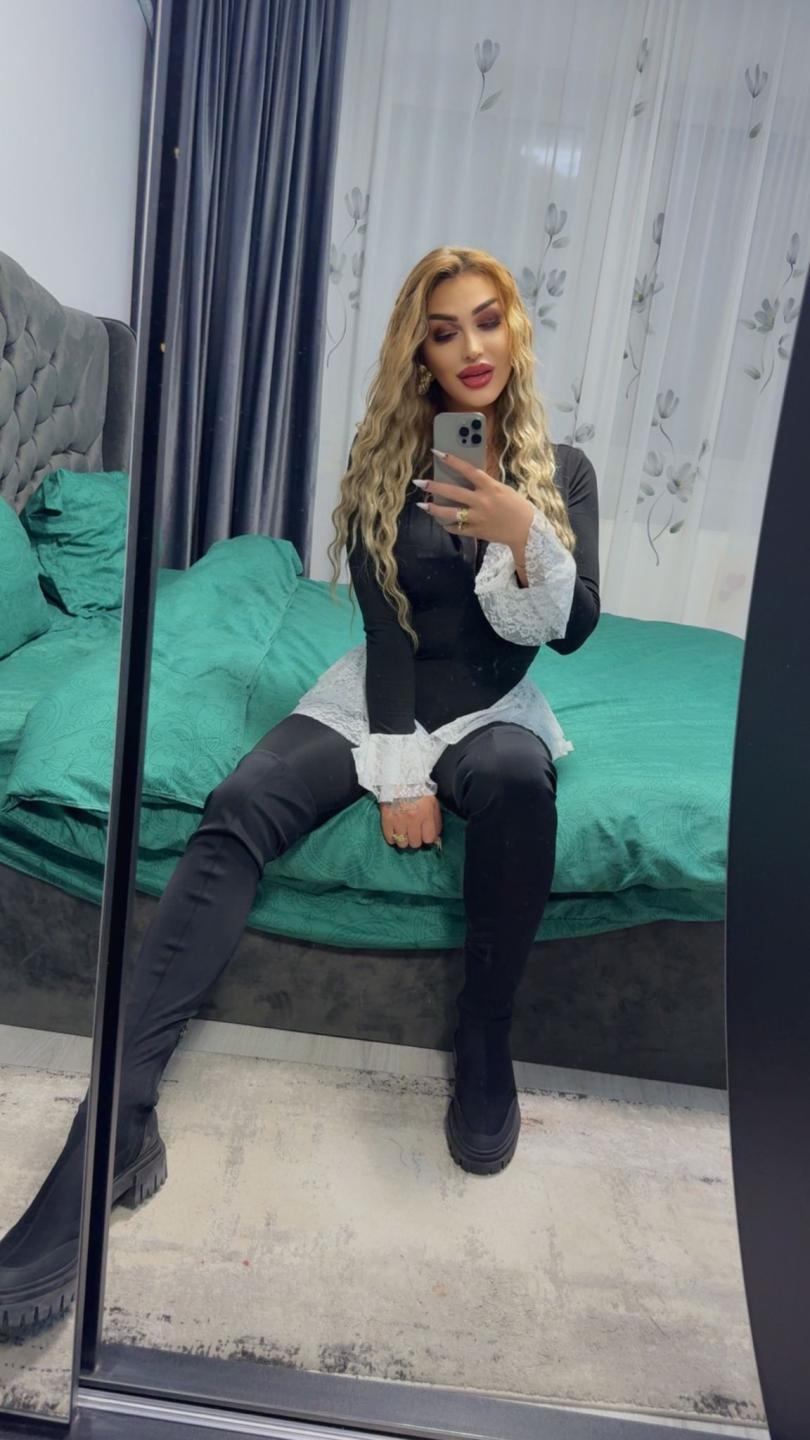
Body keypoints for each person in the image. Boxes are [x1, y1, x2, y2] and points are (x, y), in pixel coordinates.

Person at [0, 246, 600, 1334]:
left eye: (486, 321)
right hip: (381, 691)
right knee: (239, 805)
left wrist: (523, 537)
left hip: (495, 703)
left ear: (513, 331)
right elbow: (388, 634)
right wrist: (398, 769)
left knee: (521, 783)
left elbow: (571, 630)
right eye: (443, 330)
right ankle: (117, 1118)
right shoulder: (387, 465)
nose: (470, 347)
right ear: (418, 352)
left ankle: (484, 1042)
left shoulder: (563, 472)